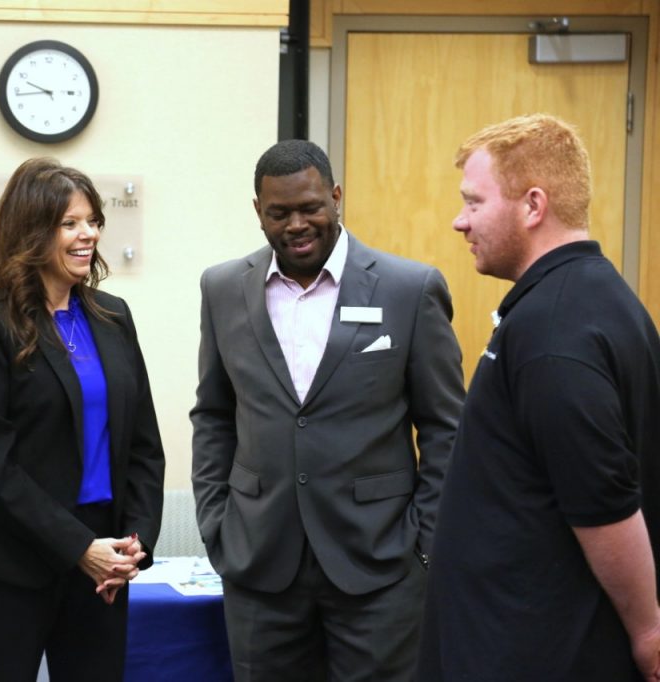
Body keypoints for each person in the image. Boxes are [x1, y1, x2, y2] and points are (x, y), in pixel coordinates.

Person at [190, 139, 465, 682]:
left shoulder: (410, 289)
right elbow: (214, 416)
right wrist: (217, 524)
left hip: (380, 568)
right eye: (279, 213)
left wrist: (424, 543)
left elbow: (445, 428)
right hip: (258, 565)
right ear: (258, 211)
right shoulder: (222, 288)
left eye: (310, 207)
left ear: (336, 197)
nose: (296, 224)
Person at [417, 114, 660, 681]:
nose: (459, 221)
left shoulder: (554, 333)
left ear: (533, 206)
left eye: (474, 203)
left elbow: (605, 502)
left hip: (540, 652)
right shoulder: (598, 298)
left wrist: (648, 631)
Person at [0, 157, 166, 682]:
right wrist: (77, 547)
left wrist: (135, 542)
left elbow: (143, 443)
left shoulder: (114, 316)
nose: (89, 235)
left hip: (104, 562)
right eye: (70, 223)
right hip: (9, 564)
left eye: (92, 220)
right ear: (32, 232)